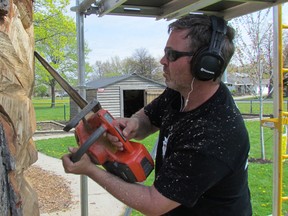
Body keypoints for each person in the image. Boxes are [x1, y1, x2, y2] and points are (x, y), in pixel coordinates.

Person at [62, 14, 252, 216]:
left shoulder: (214, 133)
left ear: (204, 65)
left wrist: (90, 170)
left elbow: (153, 203)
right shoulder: (180, 92)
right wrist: (134, 123)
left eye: (172, 55)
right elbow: (148, 118)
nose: (163, 61)